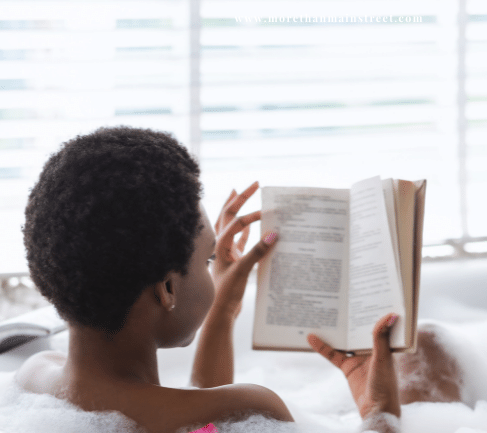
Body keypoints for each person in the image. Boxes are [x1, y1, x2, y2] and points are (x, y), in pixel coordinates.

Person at [14, 126, 463, 433]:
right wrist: (380, 414)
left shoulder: (35, 380)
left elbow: (197, 413)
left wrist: (223, 312)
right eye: (208, 259)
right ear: (168, 289)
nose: (214, 269)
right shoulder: (252, 409)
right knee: (431, 350)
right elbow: (211, 413)